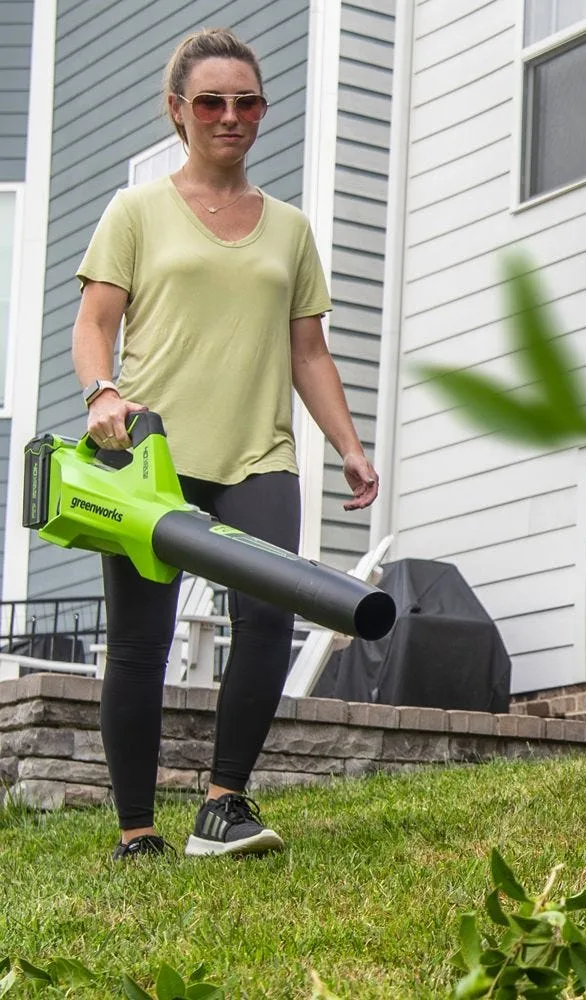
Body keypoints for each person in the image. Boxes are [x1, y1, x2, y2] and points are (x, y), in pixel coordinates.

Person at [71, 27, 378, 861]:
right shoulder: (136, 212)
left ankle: (223, 805)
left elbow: (308, 350)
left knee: (269, 614)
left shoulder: (290, 230)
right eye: (211, 101)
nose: (229, 116)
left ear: (262, 112)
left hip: (259, 454)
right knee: (141, 640)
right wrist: (103, 392)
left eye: (245, 102)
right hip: (151, 457)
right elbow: (95, 324)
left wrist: (349, 444)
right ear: (178, 111)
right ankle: (138, 831)